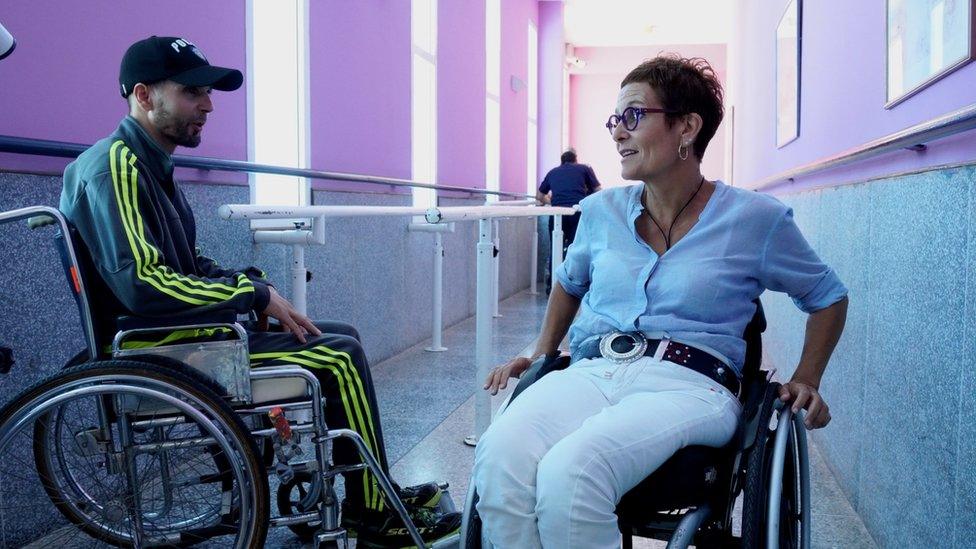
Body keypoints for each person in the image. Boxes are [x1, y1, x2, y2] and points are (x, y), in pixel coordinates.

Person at [59, 36, 460, 547]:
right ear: (142, 95)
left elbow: (186, 265)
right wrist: (249, 298)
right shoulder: (116, 167)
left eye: (208, 93)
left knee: (340, 334)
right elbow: (143, 284)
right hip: (153, 347)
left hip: (176, 335)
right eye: (191, 92)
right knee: (338, 358)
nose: (208, 105)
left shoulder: (149, 165)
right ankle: (374, 513)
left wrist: (251, 285)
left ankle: (367, 495)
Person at [473, 55, 849, 548]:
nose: (617, 133)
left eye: (633, 116)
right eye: (615, 121)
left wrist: (806, 378)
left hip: (690, 385)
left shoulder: (756, 219)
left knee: (573, 472)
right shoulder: (600, 210)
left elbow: (827, 296)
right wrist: (543, 351)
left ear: (686, 127)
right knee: (499, 454)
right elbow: (569, 281)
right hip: (593, 369)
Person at [537, 149, 601, 293]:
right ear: (575, 160)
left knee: (556, 248)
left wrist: (552, 201)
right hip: (576, 212)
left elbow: (540, 195)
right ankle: (573, 286)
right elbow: (598, 191)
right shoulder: (584, 168)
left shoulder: (553, 172)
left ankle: (552, 285)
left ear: (562, 161)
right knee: (577, 249)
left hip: (557, 213)